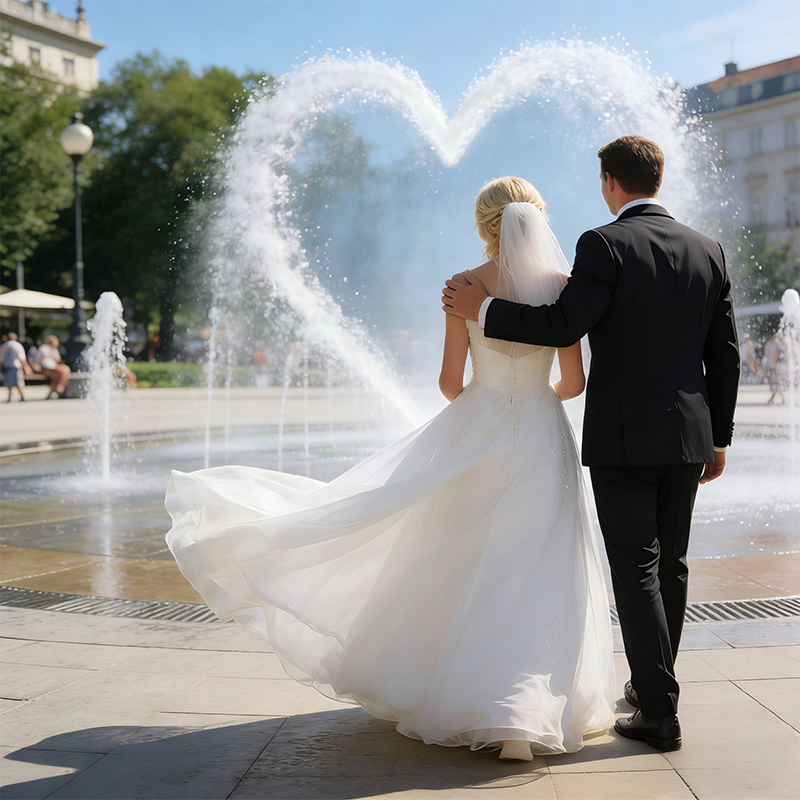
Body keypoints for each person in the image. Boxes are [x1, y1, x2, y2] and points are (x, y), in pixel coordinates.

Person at [166, 177, 615, 760]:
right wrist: (534, 395)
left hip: (479, 430)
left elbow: (450, 383)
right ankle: (523, 720)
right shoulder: (562, 286)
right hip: (542, 432)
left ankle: (476, 699)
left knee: (466, 558)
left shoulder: (463, 287)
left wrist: (490, 398)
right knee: (539, 566)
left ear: (484, 226)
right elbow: (574, 383)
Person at [443, 136, 740, 752]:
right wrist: (718, 438)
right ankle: (652, 687)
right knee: (673, 563)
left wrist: (487, 309)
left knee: (637, 566)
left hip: (624, 437)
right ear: (657, 180)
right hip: (688, 435)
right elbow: (725, 356)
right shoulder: (708, 249)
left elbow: (561, 324)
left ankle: (658, 708)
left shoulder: (602, 244)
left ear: (610, 182)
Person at [0, 332, 32, 402]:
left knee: (10, 383)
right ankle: (22, 397)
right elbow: (22, 358)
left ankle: (10, 398)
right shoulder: (17, 345)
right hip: (15, 367)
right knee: (18, 382)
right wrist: (26, 367)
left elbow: (1, 358)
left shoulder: (3, 346)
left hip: (6, 367)